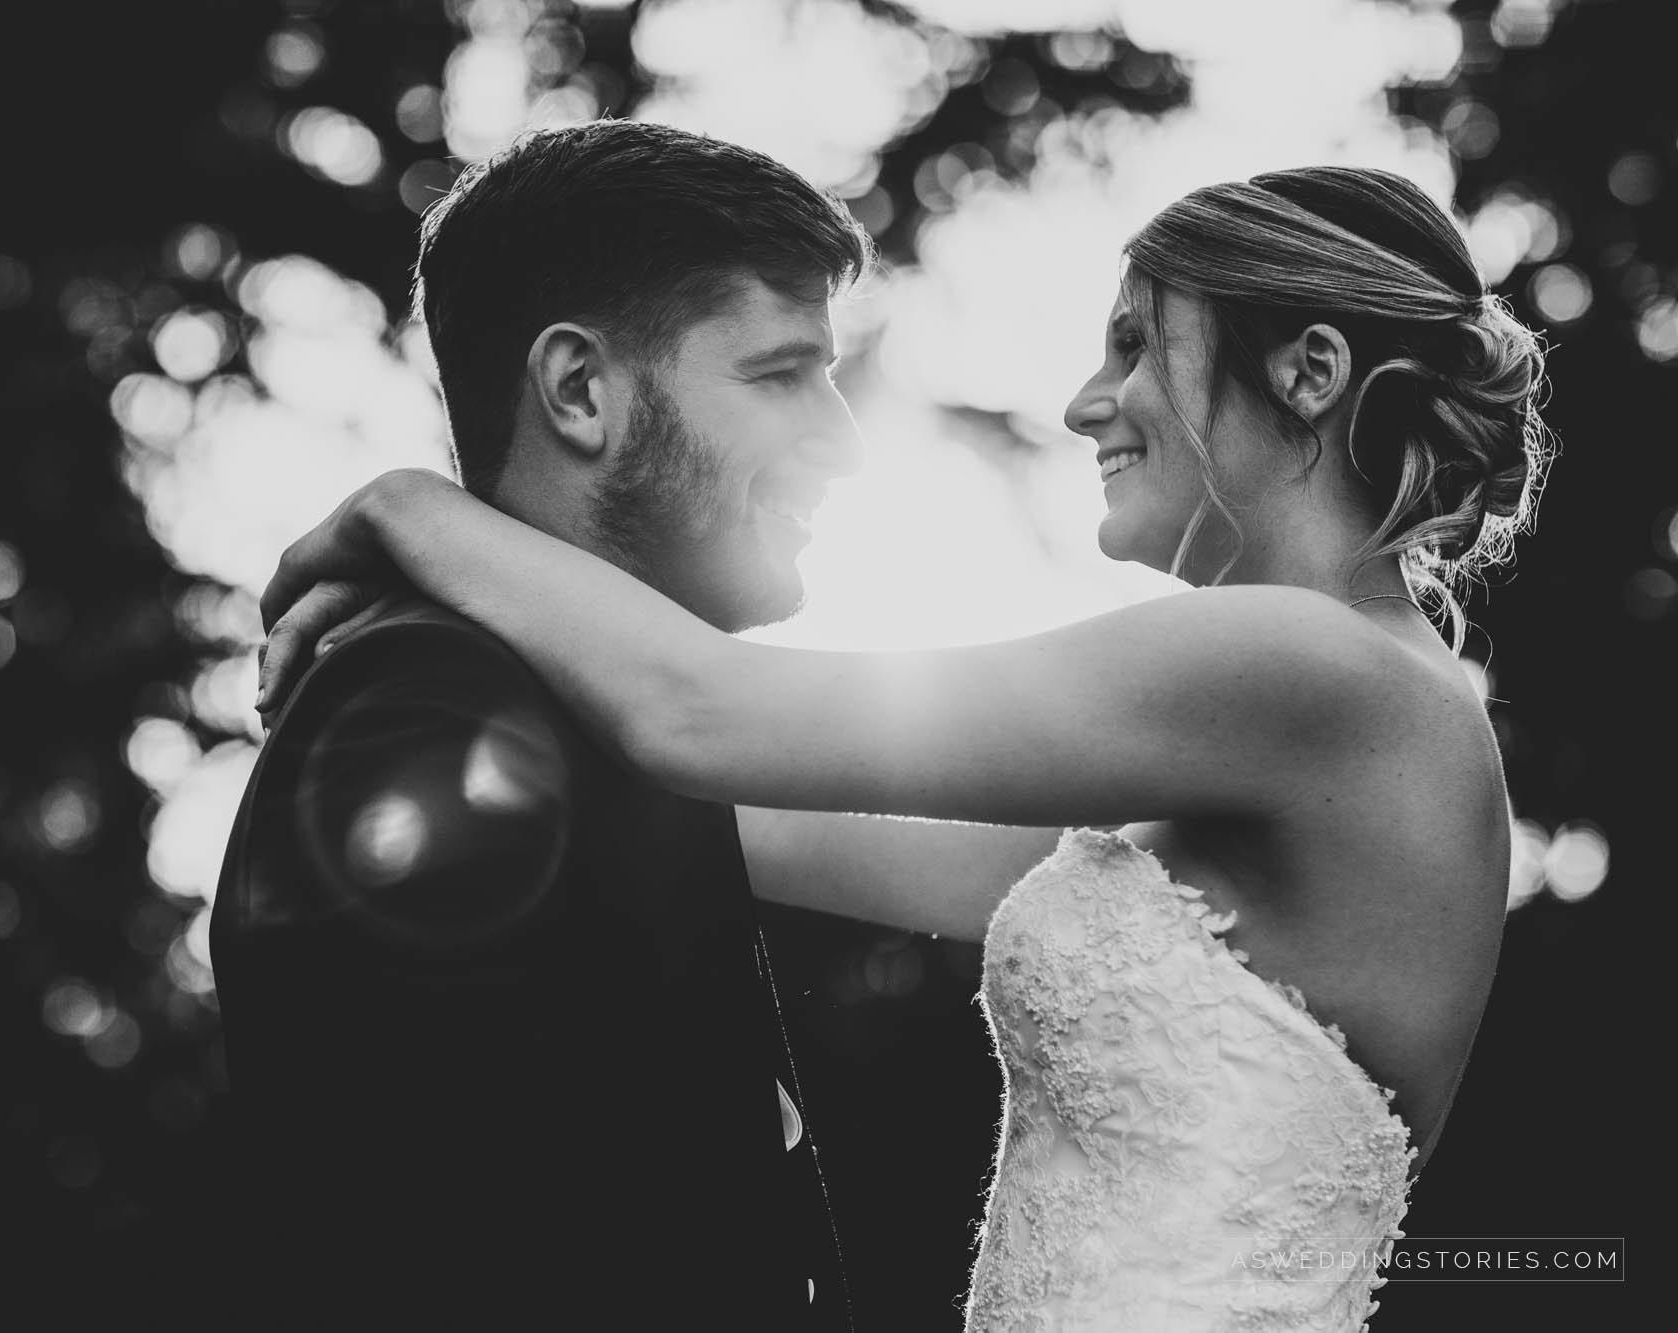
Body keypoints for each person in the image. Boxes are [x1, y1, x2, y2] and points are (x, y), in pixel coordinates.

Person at [255, 165, 1555, 1330]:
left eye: (1132, 346)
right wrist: (471, 629)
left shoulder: (1313, 665)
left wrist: (409, 510)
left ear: (1309, 372)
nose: (1086, 403)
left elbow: (703, 715)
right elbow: (733, 817)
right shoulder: (1289, 745)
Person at [211, 119, 876, 1329]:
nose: (843, 440)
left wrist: (413, 511)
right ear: (577, 390)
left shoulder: (617, 724)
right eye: (780, 375)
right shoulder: (425, 708)